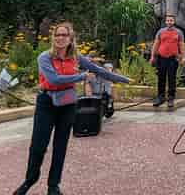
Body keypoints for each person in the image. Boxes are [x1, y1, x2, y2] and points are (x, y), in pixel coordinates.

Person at [13, 22, 130, 195]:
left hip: (67, 104)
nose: (60, 38)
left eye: (64, 35)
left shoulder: (76, 57)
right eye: (57, 35)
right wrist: (81, 76)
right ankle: (30, 180)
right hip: (46, 102)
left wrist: (123, 79)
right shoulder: (44, 57)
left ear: (70, 38)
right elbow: (54, 79)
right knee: (38, 145)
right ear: (53, 38)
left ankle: (53, 186)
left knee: (60, 146)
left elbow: (98, 70)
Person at [149, 14, 185, 107]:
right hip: (161, 58)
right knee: (161, 78)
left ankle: (171, 98)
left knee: (172, 78)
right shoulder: (160, 31)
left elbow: (181, 45)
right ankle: (160, 97)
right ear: (165, 21)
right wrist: (152, 56)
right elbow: (156, 44)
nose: (169, 22)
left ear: (174, 21)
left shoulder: (179, 32)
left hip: (173, 58)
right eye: (168, 20)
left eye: (171, 20)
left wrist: (183, 57)